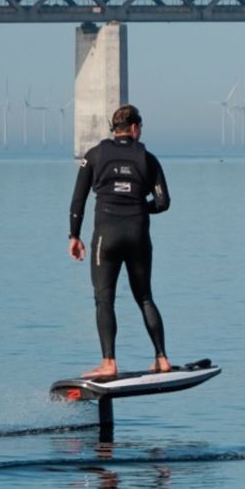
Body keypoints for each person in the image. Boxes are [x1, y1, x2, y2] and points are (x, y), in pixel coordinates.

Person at [68, 104, 172, 379]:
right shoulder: (148, 159)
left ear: (114, 129)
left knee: (105, 300)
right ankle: (162, 358)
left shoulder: (94, 155)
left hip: (107, 236)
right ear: (135, 128)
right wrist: (137, 207)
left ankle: (109, 363)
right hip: (138, 235)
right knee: (145, 297)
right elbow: (163, 203)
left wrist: (74, 235)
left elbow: (78, 200)